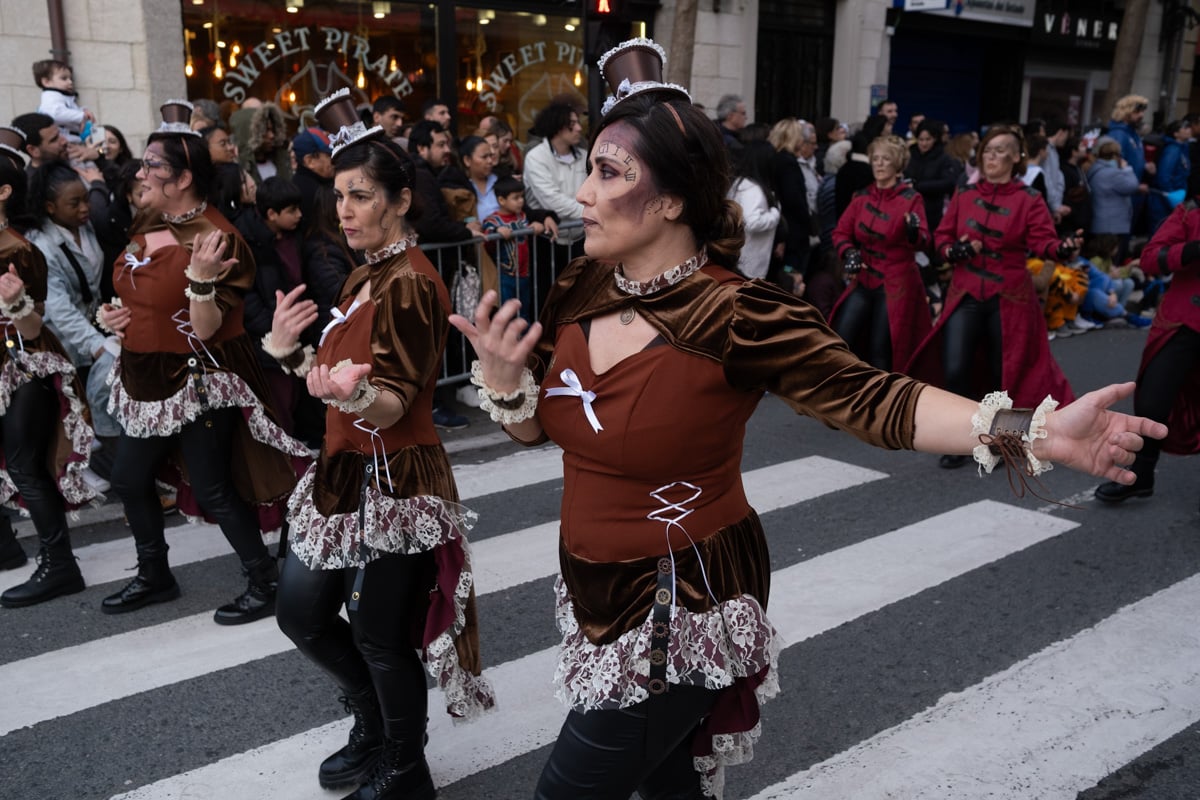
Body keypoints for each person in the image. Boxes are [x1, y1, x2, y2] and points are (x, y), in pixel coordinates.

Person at [449, 37, 1165, 799]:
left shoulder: (740, 314)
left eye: (607, 172)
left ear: (671, 199)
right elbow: (539, 430)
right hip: (589, 583)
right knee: (666, 785)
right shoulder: (582, 287)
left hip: (677, 599)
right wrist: (506, 382)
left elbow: (877, 398)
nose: (582, 195)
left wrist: (1037, 430)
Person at [267, 87, 495, 800]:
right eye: (338, 196)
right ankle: (371, 720)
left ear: (400, 199)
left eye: (360, 196)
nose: (343, 210)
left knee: (378, 634)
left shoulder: (412, 284)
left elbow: (393, 399)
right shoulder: (366, 275)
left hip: (396, 478)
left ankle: (404, 766)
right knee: (301, 612)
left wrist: (350, 394)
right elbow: (337, 376)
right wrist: (290, 353)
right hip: (344, 469)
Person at [95, 100, 308, 622]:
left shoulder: (219, 239)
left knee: (214, 486)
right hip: (145, 375)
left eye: (152, 165)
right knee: (129, 478)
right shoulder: (151, 217)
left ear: (184, 177)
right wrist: (118, 316)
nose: (140, 172)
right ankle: (154, 575)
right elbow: (142, 288)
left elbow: (207, 327)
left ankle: (264, 580)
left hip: (200, 378)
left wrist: (202, 278)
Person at [905, 124, 1080, 469]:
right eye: (987, 150)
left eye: (1000, 151)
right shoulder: (965, 194)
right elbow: (942, 239)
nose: (991, 156)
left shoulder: (1028, 198)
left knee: (1008, 374)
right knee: (956, 367)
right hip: (966, 291)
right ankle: (960, 440)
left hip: (1010, 296)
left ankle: (1003, 442)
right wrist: (954, 251)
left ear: (1016, 158)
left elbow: (1043, 242)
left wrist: (1062, 248)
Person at [0, 129, 98, 607]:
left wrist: (16, 302)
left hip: (24, 367)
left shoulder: (19, 250)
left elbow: (34, 323)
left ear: (3, 192)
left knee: (27, 467)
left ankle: (60, 566)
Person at [1095, 172, 1200, 507]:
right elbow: (1153, 257)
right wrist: (1192, 249)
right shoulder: (1189, 211)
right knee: (1153, 400)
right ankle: (1141, 476)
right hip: (1184, 319)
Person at [25, 161, 122, 485]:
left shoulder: (86, 228)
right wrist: (96, 344)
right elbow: (59, 309)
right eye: (74, 203)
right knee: (68, 404)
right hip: (63, 336)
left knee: (85, 402)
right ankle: (72, 469)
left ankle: (87, 459)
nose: (84, 208)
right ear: (50, 207)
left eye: (85, 199)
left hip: (92, 327)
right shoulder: (42, 245)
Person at [830, 134, 931, 372]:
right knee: (841, 336)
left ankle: (883, 394)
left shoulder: (911, 199)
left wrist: (913, 232)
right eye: (875, 159)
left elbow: (925, 241)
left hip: (896, 282)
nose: (879, 164)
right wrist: (850, 253)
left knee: (881, 348)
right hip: (864, 279)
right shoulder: (861, 197)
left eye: (886, 159)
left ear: (897, 164)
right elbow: (841, 232)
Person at [482, 175, 550, 321]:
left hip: (525, 274)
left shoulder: (522, 216)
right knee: (507, 313)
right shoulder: (493, 220)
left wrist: (536, 225)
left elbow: (531, 227)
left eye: (522, 197)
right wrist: (497, 232)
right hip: (505, 275)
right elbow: (486, 241)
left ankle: (526, 334)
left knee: (524, 311)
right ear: (501, 200)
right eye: (516, 198)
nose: (521, 201)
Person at [523, 101, 587, 234]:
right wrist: (590, 213)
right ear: (557, 126)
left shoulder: (584, 156)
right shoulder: (535, 157)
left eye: (578, 122)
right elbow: (552, 200)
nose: (579, 128)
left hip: (581, 235)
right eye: (572, 123)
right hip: (549, 237)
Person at [728, 140, 780, 280]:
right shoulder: (753, 190)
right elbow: (752, 222)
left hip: (741, 256)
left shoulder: (740, 184)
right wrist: (775, 213)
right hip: (750, 261)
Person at [768, 118, 811, 279]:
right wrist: (808, 220)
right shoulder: (787, 162)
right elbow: (793, 199)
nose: (803, 140)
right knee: (792, 276)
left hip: (784, 230)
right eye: (800, 135)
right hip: (793, 232)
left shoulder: (774, 158)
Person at [1088, 136, 1143, 265]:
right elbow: (1132, 186)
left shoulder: (1095, 169)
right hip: (1112, 225)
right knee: (1110, 261)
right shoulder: (1111, 173)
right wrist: (1126, 169)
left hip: (1103, 223)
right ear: (1114, 156)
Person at [905, 119, 961, 232]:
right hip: (908, 205)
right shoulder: (910, 154)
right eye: (921, 139)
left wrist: (918, 186)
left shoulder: (944, 158)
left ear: (935, 139)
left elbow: (948, 183)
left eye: (928, 139)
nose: (924, 143)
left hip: (931, 210)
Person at [33, 59, 95, 149]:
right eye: (64, 78)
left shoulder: (61, 96)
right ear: (46, 82)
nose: (70, 82)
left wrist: (83, 111)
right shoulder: (51, 97)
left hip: (72, 141)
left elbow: (67, 111)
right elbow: (55, 114)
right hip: (64, 144)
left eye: (70, 79)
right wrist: (81, 116)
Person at [1148, 118, 1192, 233]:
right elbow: (1164, 175)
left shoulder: (1182, 148)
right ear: (1176, 134)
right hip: (1164, 198)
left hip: (1173, 195)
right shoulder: (1172, 150)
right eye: (1185, 128)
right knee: (1159, 231)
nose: (1189, 130)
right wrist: (1172, 195)